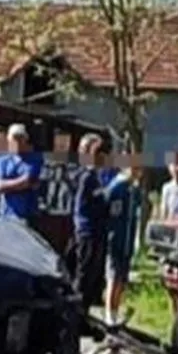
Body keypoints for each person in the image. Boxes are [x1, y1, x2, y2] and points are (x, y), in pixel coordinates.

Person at [103, 153, 145, 326]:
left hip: (128, 239)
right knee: (113, 275)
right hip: (115, 238)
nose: (136, 172)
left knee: (122, 277)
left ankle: (115, 309)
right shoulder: (116, 187)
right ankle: (108, 313)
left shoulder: (134, 190)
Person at [71, 133, 109, 311]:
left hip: (98, 229)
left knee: (94, 274)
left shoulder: (97, 176)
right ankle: (76, 314)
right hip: (87, 230)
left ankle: (86, 312)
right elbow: (81, 206)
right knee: (84, 273)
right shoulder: (86, 176)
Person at [0, 123, 44, 224]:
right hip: (6, 215)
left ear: (25, 140)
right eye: (13, 140)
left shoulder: (35, 159)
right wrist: (21, 183)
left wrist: (7, 184)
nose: (17, 143)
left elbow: (28, 181)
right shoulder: (3, 161)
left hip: (28, 215)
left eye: (20, 139)